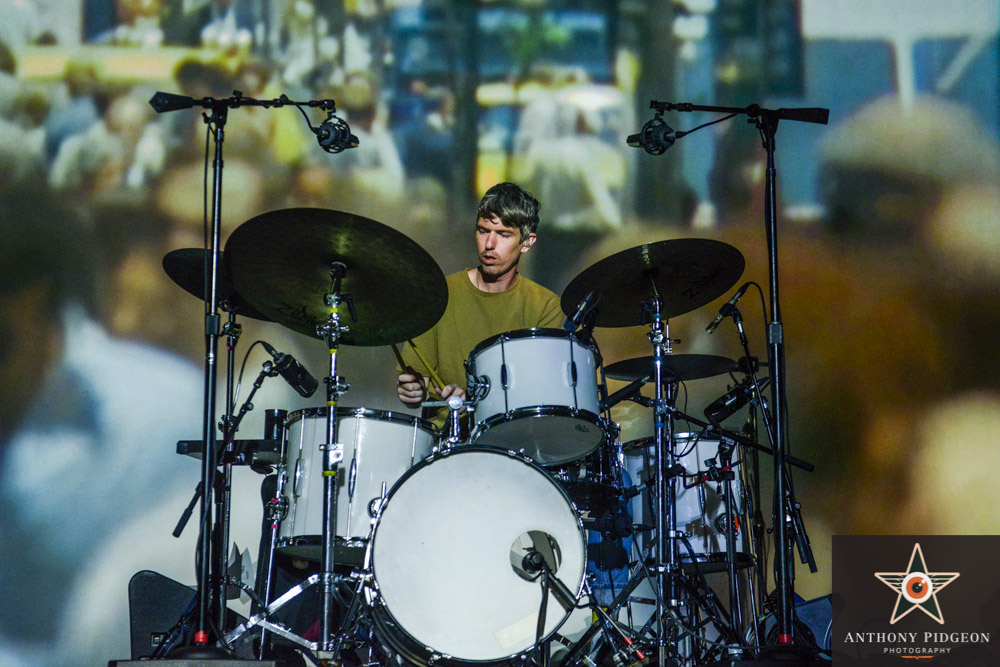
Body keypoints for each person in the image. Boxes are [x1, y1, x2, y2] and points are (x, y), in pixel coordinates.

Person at [396, 182, 564, 421]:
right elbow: (419, 382)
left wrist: (476, 401)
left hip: (514, 441)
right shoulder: (438, 294)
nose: (489, 245)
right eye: (483, 231)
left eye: (504, 235)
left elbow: (540, 395)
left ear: (527, 242)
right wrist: (414, 392)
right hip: (444, 444)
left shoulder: (546, 306)